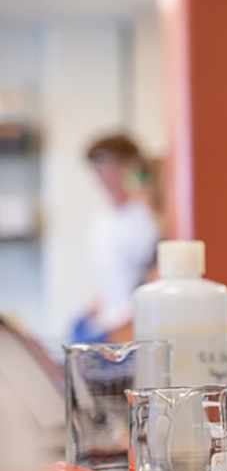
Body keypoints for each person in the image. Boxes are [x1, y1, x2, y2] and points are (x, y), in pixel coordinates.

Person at [73, 133, 161, 343]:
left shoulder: (148, 217)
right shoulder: (100, 221)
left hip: (135, 329)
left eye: (114, 166)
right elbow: (112, 281)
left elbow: (154, 276)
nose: (106, 176)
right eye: (100, 168)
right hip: (108, 324)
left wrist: (128, 326)